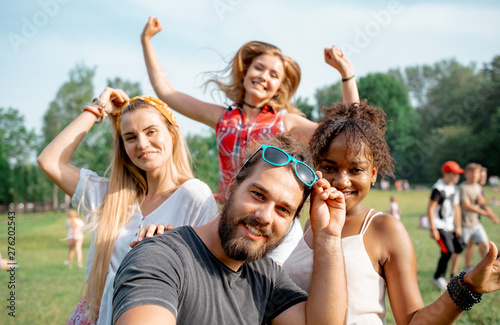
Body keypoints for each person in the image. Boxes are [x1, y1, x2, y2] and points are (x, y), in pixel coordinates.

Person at [140, 16, 358, 263]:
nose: (264, 76)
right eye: (259, 68)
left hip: (271, 219)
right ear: (245, 72)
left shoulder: (286, 122)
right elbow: (166, 92)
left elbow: (348, 130)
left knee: (268, 288)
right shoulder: (222, 116)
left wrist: (346, 74)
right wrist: (146, 40)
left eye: (274, 75)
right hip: (232, 215)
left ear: (279, 87)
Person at [283, 102, 500, 324]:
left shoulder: (386, 229)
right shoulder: (311, 223)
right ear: (315, 167)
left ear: (374, 173)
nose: (342, 180)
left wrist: (468, 287)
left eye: (356, 170)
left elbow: (412, 320)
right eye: (330, 168)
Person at [112, 134, 348, 325]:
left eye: (283, 210)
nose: (264, 216)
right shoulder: (160, 258)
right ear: (232, 188)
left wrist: (328, 237)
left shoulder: (266, 277)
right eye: (258, 195)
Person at [37, 88, 218, 325]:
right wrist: (98, 108)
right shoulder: (110, 195)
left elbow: (207, 278)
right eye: (130, 137)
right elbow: (49, 161)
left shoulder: (194, 195)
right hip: (96, 316)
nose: (142, 144)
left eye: (151, 131)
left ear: (173, 134)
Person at [454, 164, 499, 274]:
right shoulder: (463, 187)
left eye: (476, 172)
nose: (474, 175)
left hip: (476, 224)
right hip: (464, 224)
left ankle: (488, 269)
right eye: (472, 172)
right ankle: (453, 272)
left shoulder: (478, 187)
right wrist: (486, 213)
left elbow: (482, 203)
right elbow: (466, 206)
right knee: (460, 249)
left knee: (486, 246)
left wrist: (491, 214)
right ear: (466, 174)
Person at [426, 160, 464, 289]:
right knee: (447, 251)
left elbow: (456, 208)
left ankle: (449, 274)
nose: (457, 177)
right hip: (439, 225)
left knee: (456, 248)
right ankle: (438, 277)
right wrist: (432, 228)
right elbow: (431, 208)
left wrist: (458, 226)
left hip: (449, 226)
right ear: (446, 173)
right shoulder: (438, 188)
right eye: (454, 174)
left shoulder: (454, 188)